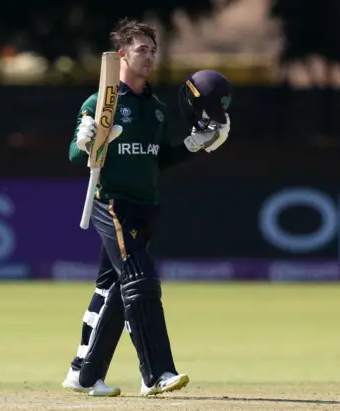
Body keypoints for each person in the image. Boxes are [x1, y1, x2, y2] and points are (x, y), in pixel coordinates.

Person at [62, 17, 232, 397]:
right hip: (113, 205)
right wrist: (87, 141)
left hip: (145, 208)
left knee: (115, 290)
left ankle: (84, 373)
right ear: (121, 54)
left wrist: (194, 144)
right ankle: (156, 373)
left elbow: (158, 159)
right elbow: (76, 155)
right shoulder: (100, 101)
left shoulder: (155, 109)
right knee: (141, 282)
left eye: (153, 50)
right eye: (142, 49)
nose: (150, 56)